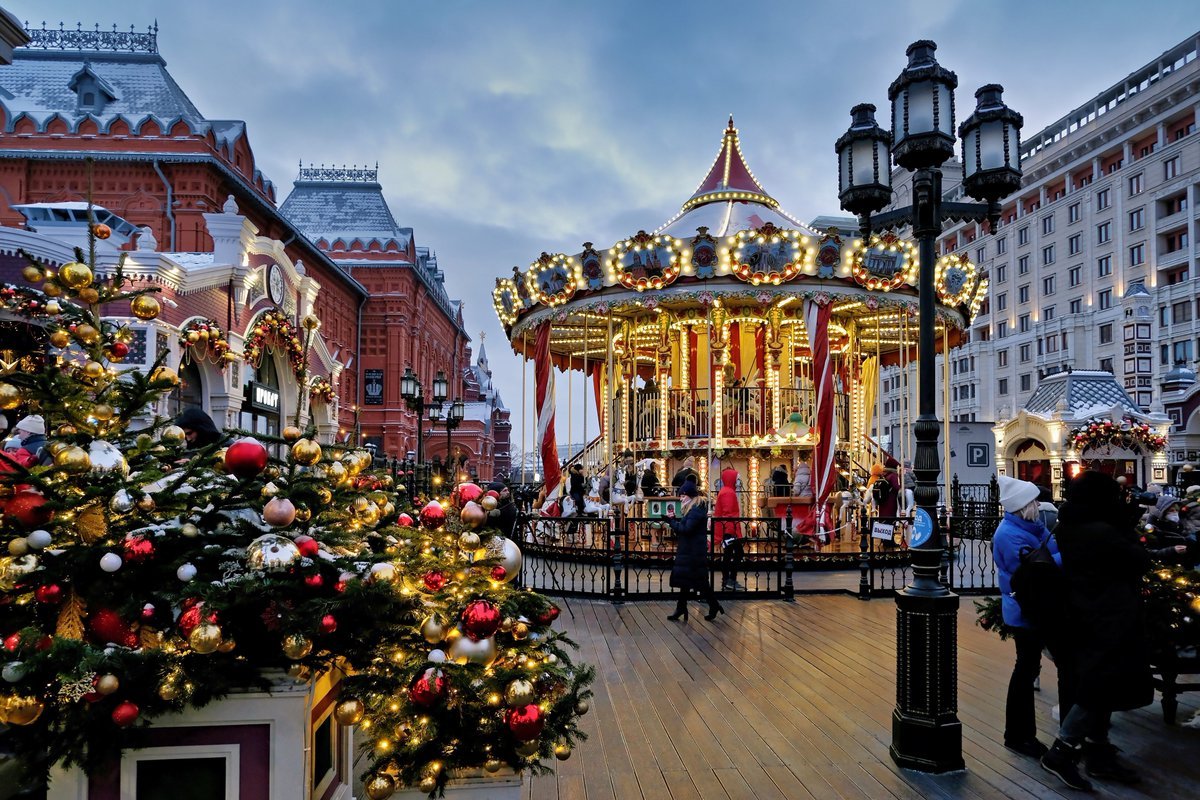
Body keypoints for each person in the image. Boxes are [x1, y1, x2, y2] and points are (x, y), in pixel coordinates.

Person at [1041, 471, 1150, 790]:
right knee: (1100, 686)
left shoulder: (1070, 524)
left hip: (1087, 612)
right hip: (1109, 617)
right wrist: (1127, 527)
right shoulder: (1102, 530)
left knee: (1099, 682)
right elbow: (1139, 561)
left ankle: (1099, 754)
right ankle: (1061, 751)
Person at [993, 476, 1063, 759]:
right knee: (1025, 668)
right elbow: (1037, 569)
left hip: (1033, 606)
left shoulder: (1029, 527)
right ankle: (1019, 734)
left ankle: (1021, 733)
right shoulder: (1010, 534)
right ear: (1023, 506)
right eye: (1033, 501)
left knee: (1028, 667)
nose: (1038, 505)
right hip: (1026, 608)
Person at [665, 479, 722, 622]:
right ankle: (681, 607)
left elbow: (687, 529)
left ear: (689, 496)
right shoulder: (692, 510)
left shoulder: (695, 510)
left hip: (693, 552)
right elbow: (686, 527)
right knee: (687, 582)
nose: (680, 498)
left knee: (701, 582)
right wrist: (674, 520)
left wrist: (671, 522)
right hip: (690, 551)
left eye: (683, 496)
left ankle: (713, 605)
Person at [713, 466, 744, 591]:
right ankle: (730, 579)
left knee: (728, 555)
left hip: (728, 528)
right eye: (736, 479)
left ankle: (728, 580)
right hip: (729, 529)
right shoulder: (728, 493)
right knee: (737, 554)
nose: (737, 482)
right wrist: (732, 531)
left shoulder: (726, 491)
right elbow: (728, 513)